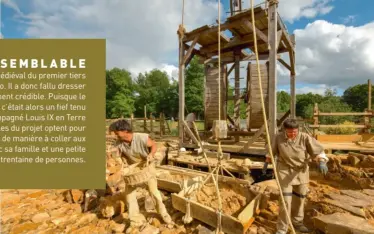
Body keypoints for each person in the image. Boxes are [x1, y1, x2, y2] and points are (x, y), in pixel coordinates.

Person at [266, 118, 329, 234]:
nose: (292, 134)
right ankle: (282, 228)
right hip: (284, 171)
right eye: (290, 132)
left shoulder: (305, 137)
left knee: (300, 199)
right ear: (285, 130)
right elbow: (271, 151)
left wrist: (321, 161)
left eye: (295, 132)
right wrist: (267, 161)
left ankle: (297, 223)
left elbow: (318, 150)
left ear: (298, 130)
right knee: (285, 201)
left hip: (301, 171)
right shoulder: (278, 137)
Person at [109, 119, 172, 229]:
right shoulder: (119, 143)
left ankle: (165, 216)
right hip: (132, 171)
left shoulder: (141, 137)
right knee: (129, 196)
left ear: (124, 131)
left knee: (154, 192)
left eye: (116, 132)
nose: (115, 135)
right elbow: (120, 155)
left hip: (146, 167)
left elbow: (153, 145)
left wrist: (151, 155)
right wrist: (121, 163)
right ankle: (135, 221)